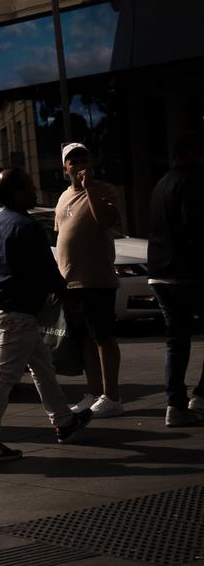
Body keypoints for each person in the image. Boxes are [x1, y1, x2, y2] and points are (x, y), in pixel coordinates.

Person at [0, 169, 90, 462]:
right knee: (2, 376)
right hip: (17, 312)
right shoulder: (26, 226)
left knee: (41, 366)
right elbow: (47, 271)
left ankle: (64, 420)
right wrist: (69, 299)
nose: (35, 190)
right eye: (30, 186)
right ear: (19, 193)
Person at [58, 141, 126, 417]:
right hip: (71, 283)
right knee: (84, 340)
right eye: (73, 161)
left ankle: (112, 396)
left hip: (96, 280)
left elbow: (106, 221)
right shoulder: (62, 197)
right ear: (65, 169)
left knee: (103, 338)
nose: (79, 165)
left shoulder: (104, 190)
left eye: (83, 159)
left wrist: (89, 190)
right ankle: (94, 393)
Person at [148, 129, 204, 427]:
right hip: (189, 273)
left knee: (176, 339)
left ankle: (175, 405)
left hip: (159, 274)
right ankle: (202, 397)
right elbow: (193, 227)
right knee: (179, 337)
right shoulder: (192, 182)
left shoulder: (160, 184)